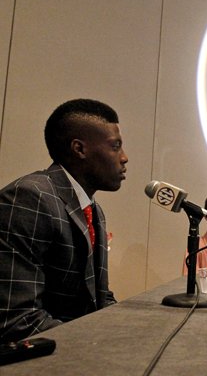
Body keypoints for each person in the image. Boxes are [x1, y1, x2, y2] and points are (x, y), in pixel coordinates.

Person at [0, 98, 128, 343]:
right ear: (79, 149)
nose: (124, 157)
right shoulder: (29, 198)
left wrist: (128, 330)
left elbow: (99, 298)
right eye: (115, 146)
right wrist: (98, 341)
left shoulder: (93, 210)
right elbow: (17, 320)